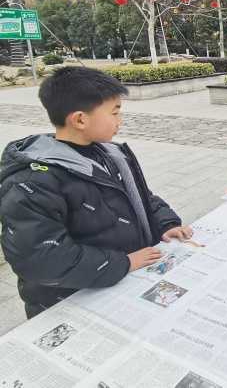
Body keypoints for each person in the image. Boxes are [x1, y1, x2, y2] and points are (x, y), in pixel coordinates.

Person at [0, 67, 190, 319]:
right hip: (71, 302)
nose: (120, 120)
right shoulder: (33, 180)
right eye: (115, 112)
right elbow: (40, 258)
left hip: (120, 283)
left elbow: (139, 197)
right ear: (80, 119)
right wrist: (124, 263)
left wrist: (164, 224)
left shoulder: (109, 154)